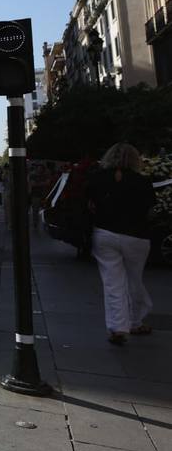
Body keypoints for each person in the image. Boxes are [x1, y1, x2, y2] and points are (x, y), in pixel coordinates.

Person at [86, 142, 157, 346]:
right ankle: (135, 321)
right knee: (134, 278)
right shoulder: (142, 182)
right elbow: (150, 211)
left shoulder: (97, 179)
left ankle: (118, 327)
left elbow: (90, 206)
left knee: (113, 282)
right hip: (136, 236)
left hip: (105, 233)